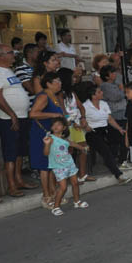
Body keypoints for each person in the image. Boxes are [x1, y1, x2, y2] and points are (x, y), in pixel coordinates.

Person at [0, 44, 38, 197]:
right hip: (8, 118)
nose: (14, 55)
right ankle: (11, 185)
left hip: (21, 116)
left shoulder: (9, 70)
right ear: (0, 56)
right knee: (10, 152)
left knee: (19, 152)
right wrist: (12, 115)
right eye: (11, 53)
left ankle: (18, 180)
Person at [82, 85, 132, 185]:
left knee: (123, 135)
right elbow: (81, 121)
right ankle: (119, 175)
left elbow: (109, 119)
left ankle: (121, 161)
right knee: (105, 150)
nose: (102, 93)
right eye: (99, 92)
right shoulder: (85, 106)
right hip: (92, 132)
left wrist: (119, 129)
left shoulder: (104, 103)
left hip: (105, 129)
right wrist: (86, 126)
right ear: (93, 96)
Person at [29, 71, 64, 207]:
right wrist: (53, 114)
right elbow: (33, 113)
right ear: (48, 83)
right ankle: (46, 196)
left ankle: (53, 192)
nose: (59, 83)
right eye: (56, 81)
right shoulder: (43, 96)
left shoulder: (53, 96)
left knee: (51, 165)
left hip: (51, 134)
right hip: (41, 135)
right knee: (44, 166)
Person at [42, 117, 87, 216]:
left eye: (58, 124)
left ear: (64, 128)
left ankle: (77, 201)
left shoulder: (64, 139)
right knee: (63, 187)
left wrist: (83, 148)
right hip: (58, 167)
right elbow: (46, 153)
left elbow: (72, 144)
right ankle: (56, 207)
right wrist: (46, 145)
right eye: (53, 125)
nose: (55, 126)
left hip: (70, 164)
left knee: (75, 183)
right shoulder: (50, 139)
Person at [58, 68, 94, 183]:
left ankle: (82, 174)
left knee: (84, 148)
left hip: (77, 124)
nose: (74, 79)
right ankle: (68, 176)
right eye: (72, 77)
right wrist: (73, 123)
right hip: (68, 125)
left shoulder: (72, 93)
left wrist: (83, 118)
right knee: (69, 151)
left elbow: (81, 107)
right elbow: (63, 112)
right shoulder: (60, 95)